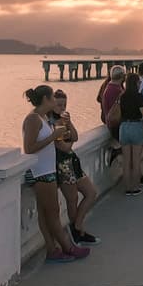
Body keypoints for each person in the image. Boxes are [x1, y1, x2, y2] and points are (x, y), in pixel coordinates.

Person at [21, 86, 91, 261]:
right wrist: (54, 137)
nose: (55, 100)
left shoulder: (43, 118)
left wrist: (58, 132)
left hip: (48, 170)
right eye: (52, 97)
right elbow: (28, 148)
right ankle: (68, 247)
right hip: (41, 173)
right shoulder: (33, 119)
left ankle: (52, 250)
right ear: (46, 99)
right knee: (53, 213)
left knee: (46, 214)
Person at [51, 90, 100, 244]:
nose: (62, 107)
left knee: (91, 193)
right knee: (72, 200)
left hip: (73, 162)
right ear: (52, 104)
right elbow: (63, 147)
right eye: (59, 104)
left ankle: (76, 227)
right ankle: (78, 233)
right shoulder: (52, 124)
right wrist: (70, 139)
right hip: (63, 164)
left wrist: (69, 122)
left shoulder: (63, 120)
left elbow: (76, 136)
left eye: (64, 104)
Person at [118, 74, 143, 196]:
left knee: (126, 161)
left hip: (124, 127)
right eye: (139, 82)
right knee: (136, 160)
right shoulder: (139, 96)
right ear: (136, 83)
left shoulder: (122, 96)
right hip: (136, 126)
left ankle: (127, 188)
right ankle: (135, 188)